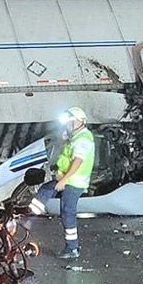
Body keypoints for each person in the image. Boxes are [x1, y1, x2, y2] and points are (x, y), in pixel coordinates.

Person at [29, 106, 95, 259]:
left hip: (73, 182)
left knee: (67, 212)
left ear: (79, 122)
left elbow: (78, 161)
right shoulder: (75, 135)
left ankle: (72, 248)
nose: (68, 125)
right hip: (67, 178)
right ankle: (29, 217)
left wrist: (64, 180)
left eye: (70, 122)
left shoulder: (83, 139)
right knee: (45, 190)